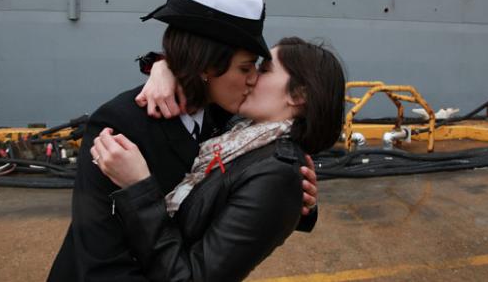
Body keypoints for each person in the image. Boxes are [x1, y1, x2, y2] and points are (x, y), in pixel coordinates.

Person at [48, 0, 319, 281]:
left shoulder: (227, 119)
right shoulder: (119, 126)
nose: (253, 79)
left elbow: (234, 192)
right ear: (206, 65)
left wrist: (293, 199)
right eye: (245, 68)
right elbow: (101, 262)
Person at [90, 36, 345, 282]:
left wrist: (139, 188)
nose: (252, 77)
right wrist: (164, 67)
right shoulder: (241, 136)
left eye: (264, 70)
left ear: (298, 95)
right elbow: (206, 76)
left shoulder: (277, 174)